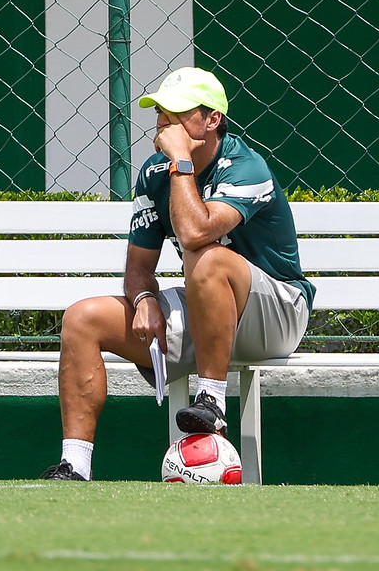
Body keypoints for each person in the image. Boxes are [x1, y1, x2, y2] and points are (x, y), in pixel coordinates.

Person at [41, 67, 315, 481]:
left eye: (179, 113)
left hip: (274, 314)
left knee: (206, 258)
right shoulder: (155, 173)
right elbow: (138, 267)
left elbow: (195, 232)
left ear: (212, 120)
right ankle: (74, 466)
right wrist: (144, 300)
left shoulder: (245, 165)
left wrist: (182, 163)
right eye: (160, 112)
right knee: (82, 318)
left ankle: (211, 401)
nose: (164, 122)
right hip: (207, 310)